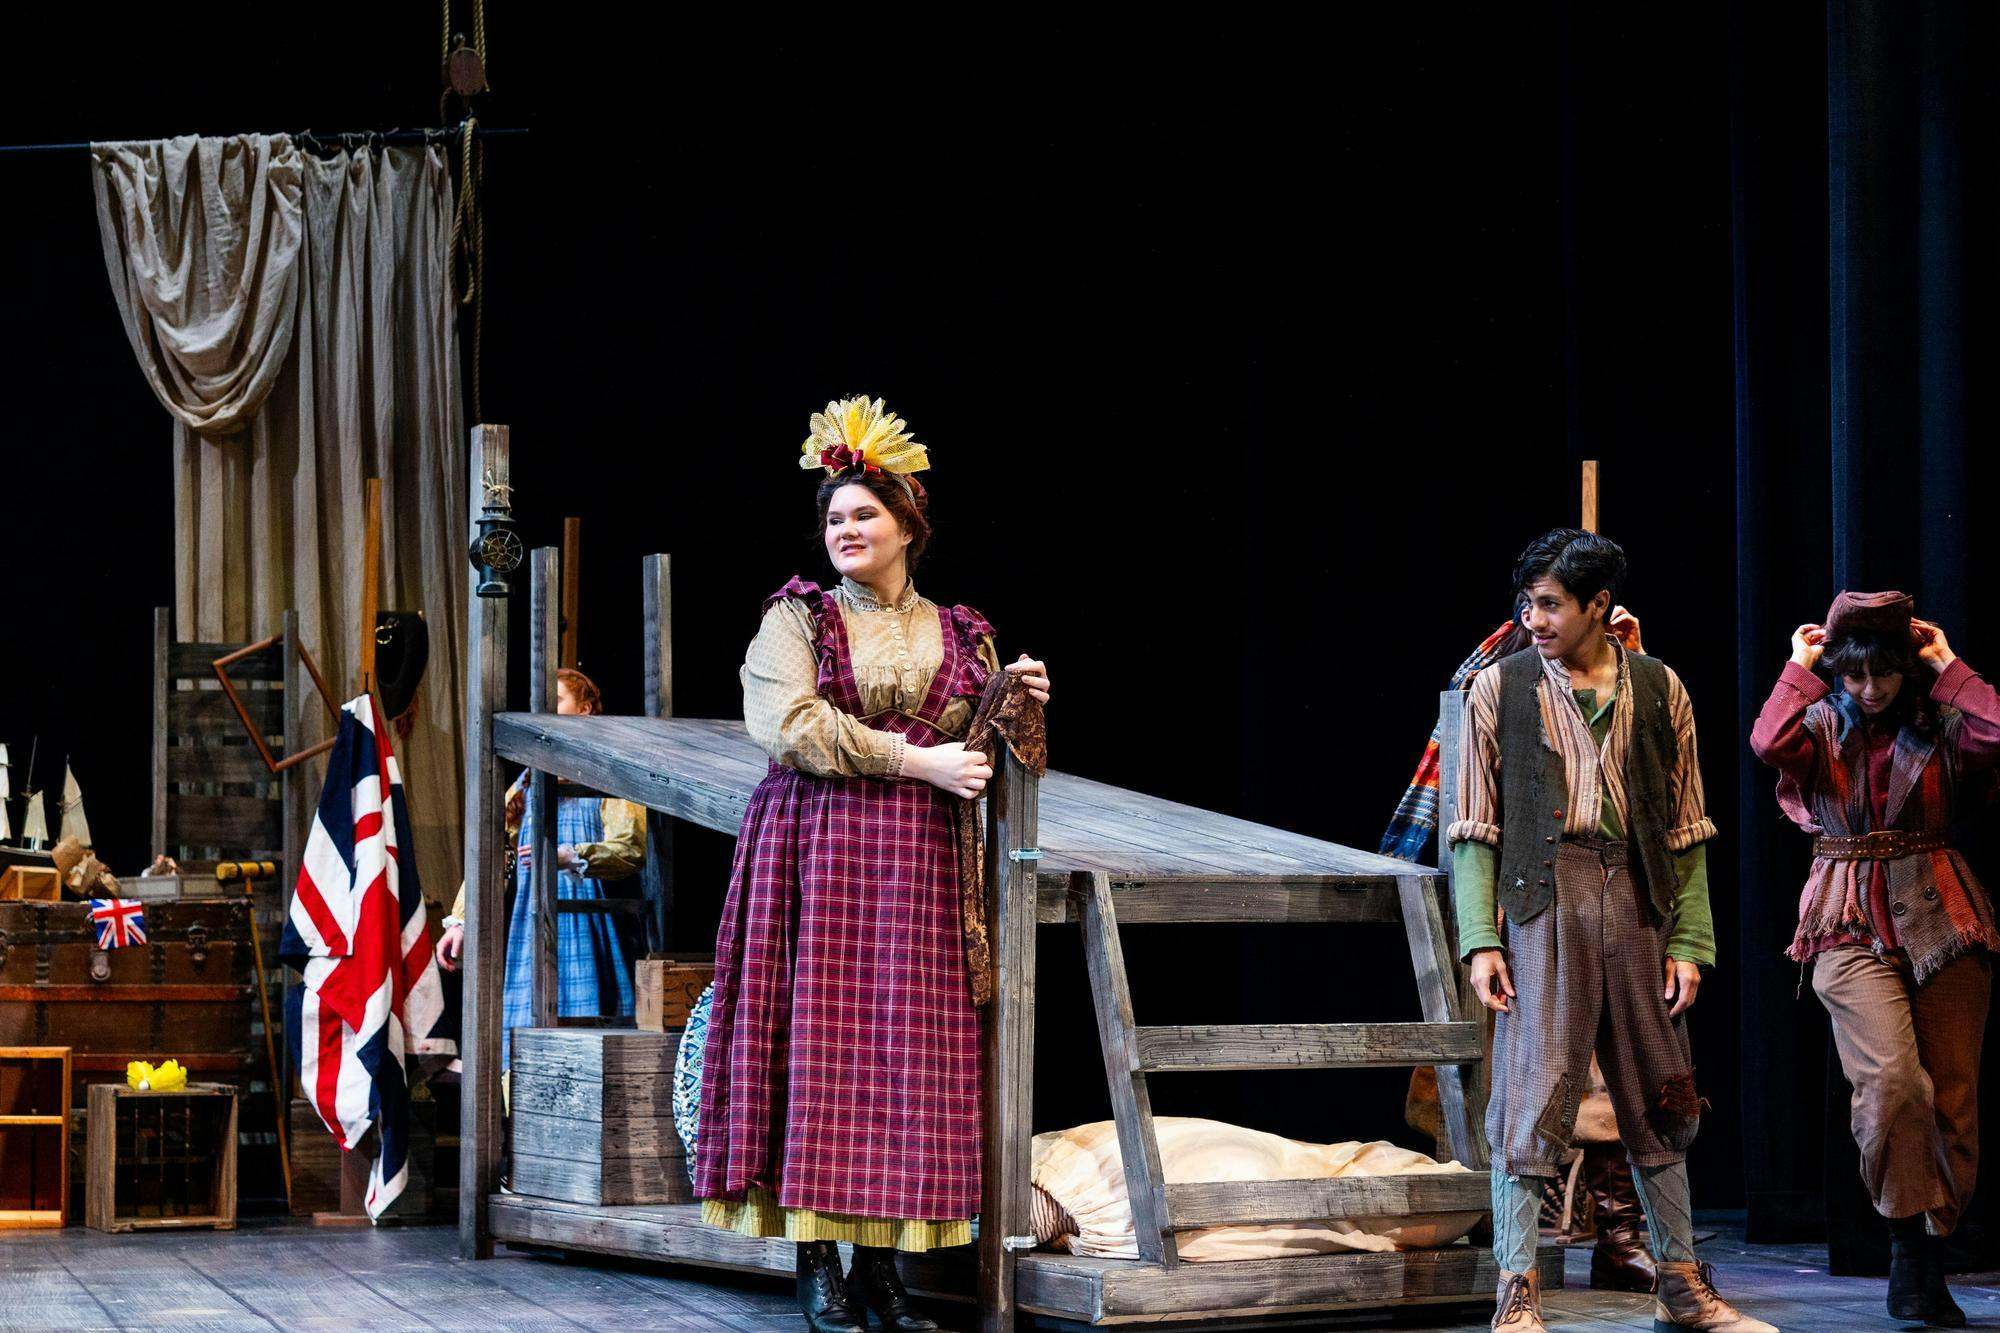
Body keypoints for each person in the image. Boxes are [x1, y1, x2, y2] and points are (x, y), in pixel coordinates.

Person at [692, 397, 1050, 1333]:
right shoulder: (798, 619)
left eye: (865, 515)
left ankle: (884, 1268)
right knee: (817, 1046)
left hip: (920, 865)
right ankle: (816, 1262)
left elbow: (989, 754)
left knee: (905, 1053)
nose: (846, 530)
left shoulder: (965, 633)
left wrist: (1021, 700)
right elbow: (790, 723)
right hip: (816, 850)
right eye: (835, 519)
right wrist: (916, 761)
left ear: (908, 527)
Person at [1448, 528, 1774, 1333]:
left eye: (1550, 604)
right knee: (1530, 1093)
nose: (1533, 619)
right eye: (1527, 603)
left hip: (1636, 896)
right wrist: (1480, 939)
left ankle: (1681, 1285)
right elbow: (1474, 827)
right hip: (1543, 898)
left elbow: (1687, 827)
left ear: (1599, 605)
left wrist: (1690, 941)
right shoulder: (1499, 688)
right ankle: (1517, 1289)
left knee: (1661, 1093)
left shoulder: (1660, 687)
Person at [1751, 591, 2000, 1327]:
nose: (1868, 688)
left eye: (1883, 673)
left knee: (1953, 1099)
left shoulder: (1942, 724)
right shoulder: (1820, 725)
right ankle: (1906, 1249)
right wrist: (1799, 668)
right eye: (1853, 674)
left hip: (1942, 910)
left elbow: (1997, 732)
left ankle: (1932, 1249)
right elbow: (1767, 743)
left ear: (1905, 667)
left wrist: (1948, 664)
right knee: (1892, 1083)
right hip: (1846, 915)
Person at [436, 668, 648, 1062]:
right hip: (532, 927)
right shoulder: (528, 782)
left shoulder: (609, 774)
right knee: (527, 1031)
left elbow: (630, 848)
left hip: (590, 922)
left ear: (584, 709)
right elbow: (489, 854)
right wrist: (460, 921)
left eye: (557, 700)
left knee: (590, 1031)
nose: (547, 709)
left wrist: (570, 856)